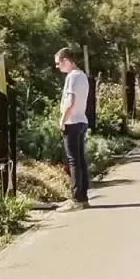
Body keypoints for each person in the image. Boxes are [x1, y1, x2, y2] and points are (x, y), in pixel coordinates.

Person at [54, 47, 90, 210]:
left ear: (66, 61)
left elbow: (70, 100)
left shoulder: (72, 77)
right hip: (82, 120)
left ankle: (76, 198)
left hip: (72, 121)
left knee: (73, 161)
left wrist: (62, 120)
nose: (57, 67)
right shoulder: (83, 76)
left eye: (58, 63)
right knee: (80, 160)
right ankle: (83, 196)